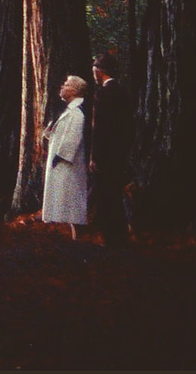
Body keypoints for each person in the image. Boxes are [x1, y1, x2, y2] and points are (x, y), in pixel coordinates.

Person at [88, 52, 132, 246]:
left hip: (105, 155)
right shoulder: (124, 92)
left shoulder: (102, 94)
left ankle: (109, 237)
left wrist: (94, 157)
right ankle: (120, 235)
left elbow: (99, 129)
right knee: (115, 194)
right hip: (120, 153)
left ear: (99, 71)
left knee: (106, 197)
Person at [41, 74, 91, 239]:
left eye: (67, 85)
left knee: (70, 201)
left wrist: (61, 156)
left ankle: (78, 236)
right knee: (63, 200)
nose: (62, 87)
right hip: (61, 163)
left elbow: (72, 139)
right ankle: (70, 236)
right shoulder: (70, 111)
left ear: (75, 91)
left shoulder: (77, 114)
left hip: (67, 165)